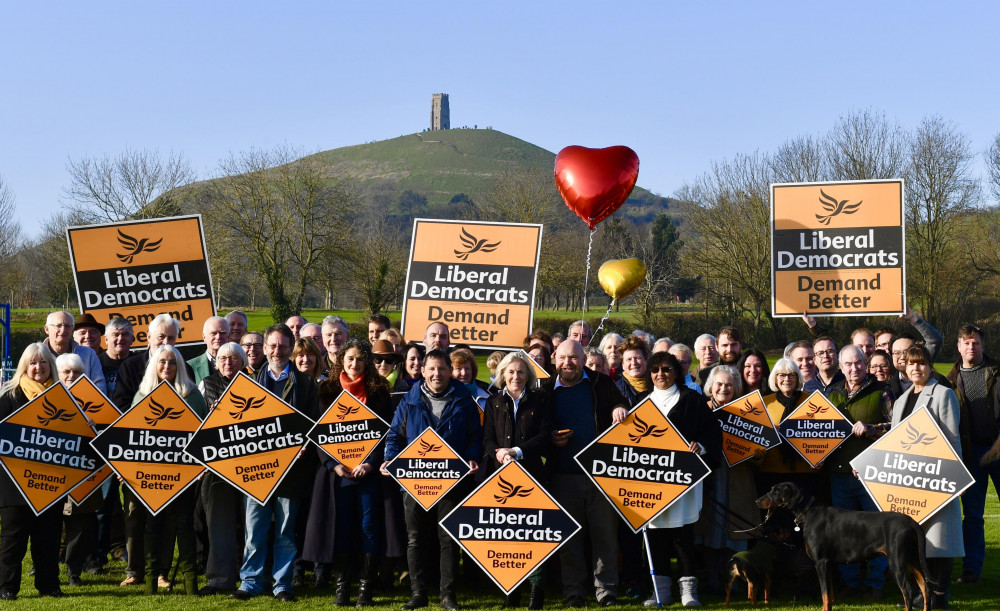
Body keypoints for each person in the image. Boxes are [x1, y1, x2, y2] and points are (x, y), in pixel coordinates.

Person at [380, 349, 482, 611]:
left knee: (448, 539)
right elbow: (394, 436)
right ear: (423, 371)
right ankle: (418, 593)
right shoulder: (409, 401)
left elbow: (475, 437)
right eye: (432, 369)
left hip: (451, 482)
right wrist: (391, 458)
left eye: (442, 369)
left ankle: (447, 596)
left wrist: (471, 456)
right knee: (415, 538)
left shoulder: (464, 400)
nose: (437, 374)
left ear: (450, 371)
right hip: (414, 482)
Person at [231, 324, 319, 602]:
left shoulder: (306, 385)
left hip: (291, 471)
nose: (277, 350)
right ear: (264, 348)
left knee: (284, 531)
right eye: (272, 345)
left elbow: (314, 425)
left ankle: (282, 584)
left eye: (283, 346)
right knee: (254, 530)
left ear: (291, 349)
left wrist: (306, 444)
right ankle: (251, 582)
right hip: (255, 471)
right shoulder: (246, 383)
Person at [306, 339, 394, 607]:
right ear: (341, 360)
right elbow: (318, 434)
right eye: (350, 359)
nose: (355, 364)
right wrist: (334, 464)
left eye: (360, 359)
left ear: (367, 361)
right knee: (341, 527)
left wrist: (370, 462)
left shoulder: (379, 391)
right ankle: (342, 588)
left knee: (368, 527)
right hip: (339, 475)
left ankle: (365, 589)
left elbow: (387, 434)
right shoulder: (327, 391)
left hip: (369, 473)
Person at [111, 314, 195, 587]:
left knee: (168, 517)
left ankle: (160, 572)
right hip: (138, 457)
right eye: (161, 337)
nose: (166, 342)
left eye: (172, 338)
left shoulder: (185, 369)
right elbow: (121, 411)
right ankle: (134, 571)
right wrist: (125, 460)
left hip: (173, 461)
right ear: (148, 337)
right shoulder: (131, 366)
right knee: (135, 515)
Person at [547, 340, 627, 607]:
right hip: (562, 475)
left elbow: (621, 402)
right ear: (554, 359)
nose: (567, 363)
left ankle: (606, 590)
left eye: (573, 358)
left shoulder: (600, 383)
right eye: (563, 358)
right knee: (570, 538)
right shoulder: (545, 390)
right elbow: (535, 430)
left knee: (604, 536)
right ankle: (574, 591)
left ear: (583, 359)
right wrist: (550, 439)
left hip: (600, 475)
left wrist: (618, 406)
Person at [642, 352, 720, 607]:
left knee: (682, 536)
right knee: (656, 538)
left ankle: (688, 591)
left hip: (684, 481)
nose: (660, 374)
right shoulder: (643, 402)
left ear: (676, 372)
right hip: (651, 483)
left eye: (666, 369)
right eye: (655, 370)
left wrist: (703, 447)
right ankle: (660, 591)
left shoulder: (692, 399)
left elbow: (711, 433)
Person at [133, 345, 208, 595]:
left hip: (185, 475)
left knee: (185, 525)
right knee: (152, 526)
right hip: (151, 476)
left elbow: (203, 437)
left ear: (180, 366)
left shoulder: (193, 395)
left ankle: (190, 584)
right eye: (162, 362)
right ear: (154, 364)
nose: (167, 367)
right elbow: (130, 439)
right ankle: (151, 583)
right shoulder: (142, 395)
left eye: (172, 362)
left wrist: (200, 465)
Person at [893, 345, 963, 608]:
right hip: (909, 482)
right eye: (911, 364)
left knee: (939, 540)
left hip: (937, 478)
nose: (916, 368)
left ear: (930, 366)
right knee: (914, 542)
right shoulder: (901, 400)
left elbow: (952, 439)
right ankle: (919, 595)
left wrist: (955, 478)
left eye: (921, 363)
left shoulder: (943, 394)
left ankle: (939, 595)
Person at [483, 352, 553, 609]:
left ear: (528, 375)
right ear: (502, 374)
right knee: (507, 537)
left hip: (532, 474)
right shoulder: (494, 402)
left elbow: (546, 434)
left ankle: (536, 594)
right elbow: (487, 438)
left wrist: (518, 452)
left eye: (521, 372)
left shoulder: (540, 400)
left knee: (533, 535)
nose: (515, 376)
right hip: (500, 478)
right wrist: (498, 452)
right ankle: (511, 594)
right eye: (510, 372)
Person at [825, 345, 892, 601]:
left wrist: (873, 428)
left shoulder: (882, 391)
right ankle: (850, 582)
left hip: (871, 475)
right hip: (839, 475)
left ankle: (875, 584)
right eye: (849, 364)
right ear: (841, 367)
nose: (854, 369)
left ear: (866, 364)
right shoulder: (832, 395)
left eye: (859, 363)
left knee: (876, 531)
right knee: (845, 532)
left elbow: (897, 427)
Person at [0, 343, 64, 600]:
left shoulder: (61, 398)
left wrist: (87, 426)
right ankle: (6, 587)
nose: (39, 368)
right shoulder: (9, 396)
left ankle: (49, 585)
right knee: (13, 539)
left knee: (48, 538)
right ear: (24, 367)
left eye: (44, 362)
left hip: (50, 482)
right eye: (33, 363)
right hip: (14, 481)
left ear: (51, 366)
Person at [695, 366, 759, 591]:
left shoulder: (746, 413)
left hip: (738, 479)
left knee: (735, 532)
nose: (724, 388)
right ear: (710, 386)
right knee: (709, 531)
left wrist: (757, 453)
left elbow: (760, 453)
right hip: (710, 479)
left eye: (729, 385)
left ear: (736, 388)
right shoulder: (700, 411)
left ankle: (737, 583)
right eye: (719, 384)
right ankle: (712, 581)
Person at [945, 324, 999, 585]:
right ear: (958, 346)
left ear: (983, 346)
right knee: (973, 516)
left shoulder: (997, 372)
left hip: (998, 449)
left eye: (976, 342)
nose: (971, 347)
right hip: (970, 455)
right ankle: (971, 570)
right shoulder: (950, 380)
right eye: (966, 343)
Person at [196, 343, 248, 597]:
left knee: (252, 525)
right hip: (215, 468)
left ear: (243, 360)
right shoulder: (205, 384)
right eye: (223, 358)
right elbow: (195, 421)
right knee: (218, 525)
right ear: (216, 362)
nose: (228, 362)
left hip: (250, 466)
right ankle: (219, 579)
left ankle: (252, 577)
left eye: (234, 358)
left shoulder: (254, 382)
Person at [55, 354, 101, 587]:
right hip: (54, 476)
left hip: (84, 476)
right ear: (58, 375)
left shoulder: (95, 403)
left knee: (80, 525)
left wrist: (95, 429)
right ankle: (47, 567)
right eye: (66, 372)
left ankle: (74, 572)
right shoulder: (48, 401)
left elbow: (105, 443)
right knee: (51, 525)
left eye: (77, 372)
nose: (72, 377)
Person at [757, 358, 821, 497]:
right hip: (771, 473)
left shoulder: (812, 401)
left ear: (798, 378)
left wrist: (821, 457)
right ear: (775, 379)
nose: (787, 379)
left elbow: (823, 434)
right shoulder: (765, 403)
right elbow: (757, 437)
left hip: (805, 473)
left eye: (791, 375)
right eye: (782, 375)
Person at [42, 310, 105, 393]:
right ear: (47, 329)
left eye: (67, 326)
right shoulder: (37, 355)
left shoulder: (89, 354)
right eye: (58, 326)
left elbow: (99, 389)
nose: (63, 330)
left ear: (72, 330)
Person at [188, 316, 230, 383]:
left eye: (222, 333)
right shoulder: (189, 366)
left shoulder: (237, 364)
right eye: (213, 333)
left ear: (228, 336)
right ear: (204, 337)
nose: (218, 337)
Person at [450, 348, 491, 416]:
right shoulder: (444, 396)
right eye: (458, 368)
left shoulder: (487, 395)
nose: (464, 373)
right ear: (450, 371)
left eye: (467, 368)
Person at [100, 317, 135, 397]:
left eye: (125, 334)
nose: (120, 338)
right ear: (106, 340)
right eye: (115, 335)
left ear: (132, 339)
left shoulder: (141, 363)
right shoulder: (96, 363)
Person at [615, 335, 651, 408]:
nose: (634, 363)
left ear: (646, 360)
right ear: (623, 365)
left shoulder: (657, 385)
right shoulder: (616, 390)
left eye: (637, 358)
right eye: (629, 359)